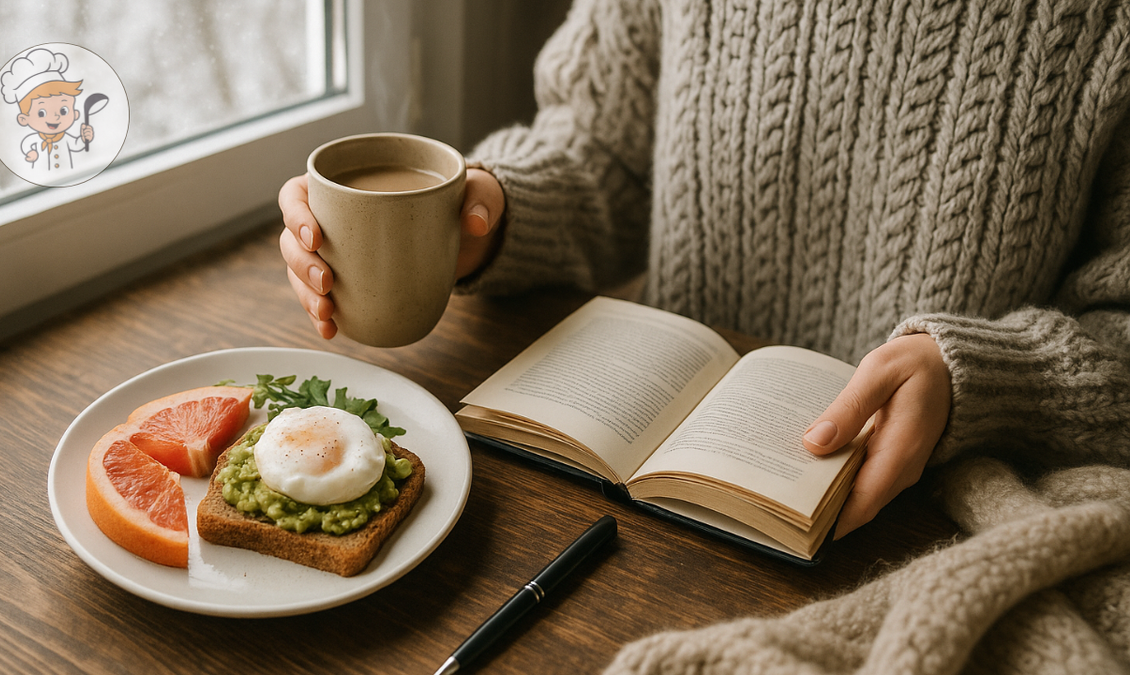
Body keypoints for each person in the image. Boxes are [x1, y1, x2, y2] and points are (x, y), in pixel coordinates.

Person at [279, 0, 1130, 550]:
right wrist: (490, 216)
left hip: (913, 527)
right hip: (639, 498)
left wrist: (982, 376)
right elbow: (604, 144)